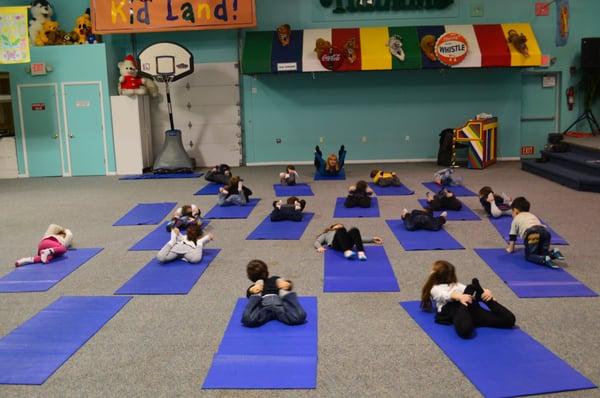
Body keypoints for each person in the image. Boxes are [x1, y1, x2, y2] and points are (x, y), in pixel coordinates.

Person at [420, 260, 516, 339]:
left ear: (434, 275)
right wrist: (461, 296)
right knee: (466, 329)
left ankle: (487, 301)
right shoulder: (438, 288)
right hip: (463, 308)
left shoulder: (449, 286)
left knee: (509, 320)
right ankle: (475, 295)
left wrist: (486, 294)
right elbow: (445, 295)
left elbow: (448, 295)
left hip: (466, 308)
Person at [242, 259, 307, 327]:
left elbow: (250, 301)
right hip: (272, 306)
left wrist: (253, 290)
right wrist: (288, 285)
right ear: (267, 271)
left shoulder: (273, 280)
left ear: (249, 277)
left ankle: (279, 292)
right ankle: (282, 292)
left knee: (248, 320)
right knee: (299, 317)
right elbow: (288, 286)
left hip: (269, 305)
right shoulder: (275, 279)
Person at [506, 197, 564, 269]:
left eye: (512, 212)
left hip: (532, 233)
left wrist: (511, 249)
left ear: (515, 211)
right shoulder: (532, 215)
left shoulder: (516, 219)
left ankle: (543, 259)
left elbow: (512, 236)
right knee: (542, 252)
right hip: (545, 232)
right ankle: (553, 253)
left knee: (529, 255)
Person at [314, 223, 383, 260]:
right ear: (332, 228)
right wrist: (319, 247)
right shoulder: (327, 234)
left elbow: (358, 238)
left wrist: (372, 239)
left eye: (341, 226)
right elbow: (317, 241)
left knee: (354, 230)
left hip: (347, 243)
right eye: (337, 226)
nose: (339, 227)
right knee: (341, 230)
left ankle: (361, 253)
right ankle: (346, 251)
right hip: (336, 244)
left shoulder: (344, 232)